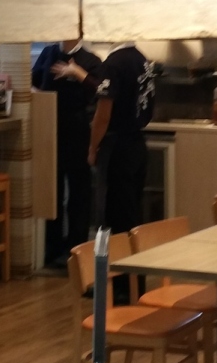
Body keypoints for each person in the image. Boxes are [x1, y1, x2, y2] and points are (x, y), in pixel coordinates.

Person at [32, 37, 102, 266]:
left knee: (79, 193)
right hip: (48, 130)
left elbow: (100, 92)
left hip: (78, 131)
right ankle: (51, 249)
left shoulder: (90, 60)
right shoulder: (48, 53)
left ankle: (77, 249)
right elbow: (33, 82)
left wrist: (77, 73)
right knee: (51, 192)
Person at [88, 42, 155, 237]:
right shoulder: (140, 59)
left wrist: (92, 148)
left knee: (115, 216)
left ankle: (117, 257)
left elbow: (103, 115)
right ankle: (135, 255)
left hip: (117, 147)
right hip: (138, 144)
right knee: (132, 213)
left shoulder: (113, 64)